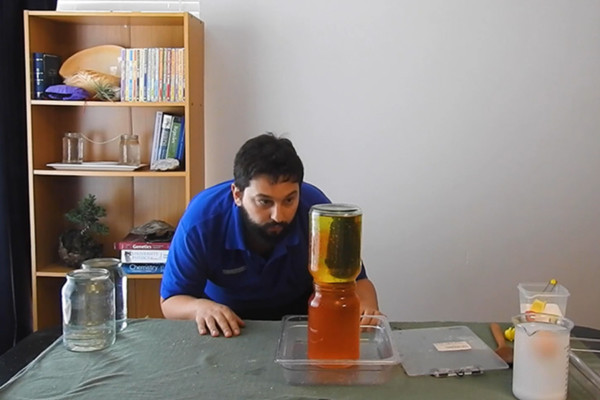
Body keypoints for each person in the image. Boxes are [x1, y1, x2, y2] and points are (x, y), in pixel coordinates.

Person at [160, 133, 381, 338]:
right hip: (228, 325)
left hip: (301, 322)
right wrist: (199, 308)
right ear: (237, 195)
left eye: (289, 200)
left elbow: (357, 283)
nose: (278, 215)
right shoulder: (201, 221)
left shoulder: (316, 211)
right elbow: (170, 301)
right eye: (264, 202)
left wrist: (368, 308)